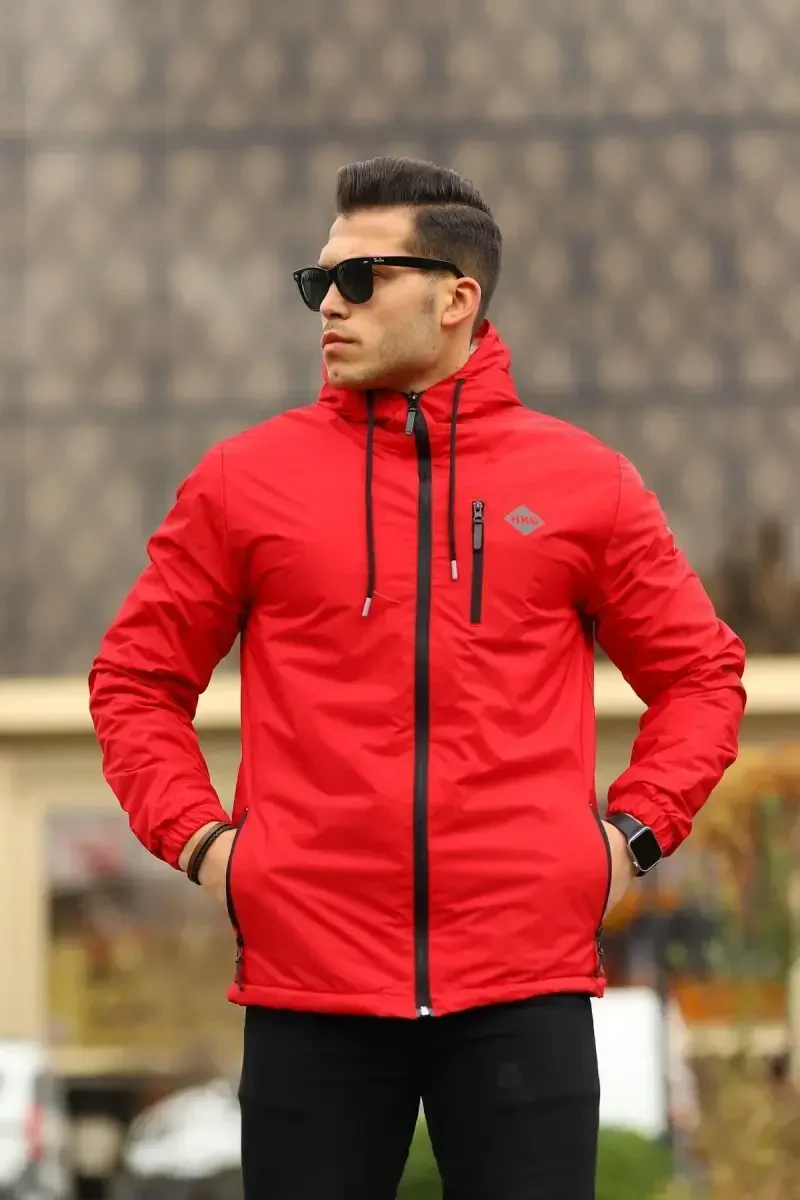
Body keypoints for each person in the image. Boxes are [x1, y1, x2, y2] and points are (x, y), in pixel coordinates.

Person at [89, 156, 746, 1199]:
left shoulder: (586, 485)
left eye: (359, 280)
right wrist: (206, 845)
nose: (328, 306)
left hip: (523, 984)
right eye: (317, 282)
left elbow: (702, 677)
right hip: (310, 987)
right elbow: (134, 679)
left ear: (455, 298)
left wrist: (627, 839)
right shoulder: (243, 485)